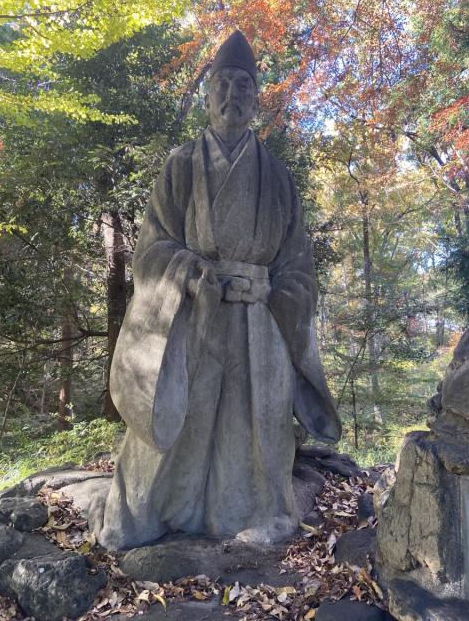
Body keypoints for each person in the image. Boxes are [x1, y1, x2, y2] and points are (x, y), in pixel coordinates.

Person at [96, 31, 341, 551]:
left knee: (256, 429)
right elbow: (151, 250)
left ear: (256, 99)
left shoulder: (279, 178)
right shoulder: (181, 165)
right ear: (207, 96)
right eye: (222, 85)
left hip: (260, 325)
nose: (233, 95)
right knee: (178, 418)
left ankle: (260, 513)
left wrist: (275, 294)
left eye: (243, 86)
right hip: (193, 314)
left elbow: (299, 266)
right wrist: (187, 271)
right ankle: (149, 516)